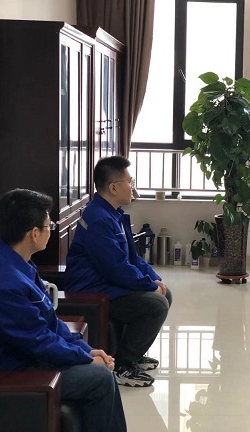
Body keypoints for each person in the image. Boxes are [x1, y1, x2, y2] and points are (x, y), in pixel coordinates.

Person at [0, 189, 126, 432]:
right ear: (34, 234)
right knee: (101, 379)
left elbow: (49, 321)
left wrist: (87, 349)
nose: (51, 230)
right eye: (49, 225)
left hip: (22, 354)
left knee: (98, 367)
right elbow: (38, 341)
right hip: (5, 369)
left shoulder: (13, 261)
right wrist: (86, 358)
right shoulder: (4, 282)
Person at [64, 155, 172, 387]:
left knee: (164, 293)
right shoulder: (97, 218)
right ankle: (123, 365)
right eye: (130, 182)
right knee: (157, 304)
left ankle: (133, 354)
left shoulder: (113, 214)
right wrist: (148, 285)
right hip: (92, 289)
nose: (133, 187)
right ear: (114, 188)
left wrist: (154, 278)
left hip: (107, 282)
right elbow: (116, 268)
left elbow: (131, 258)